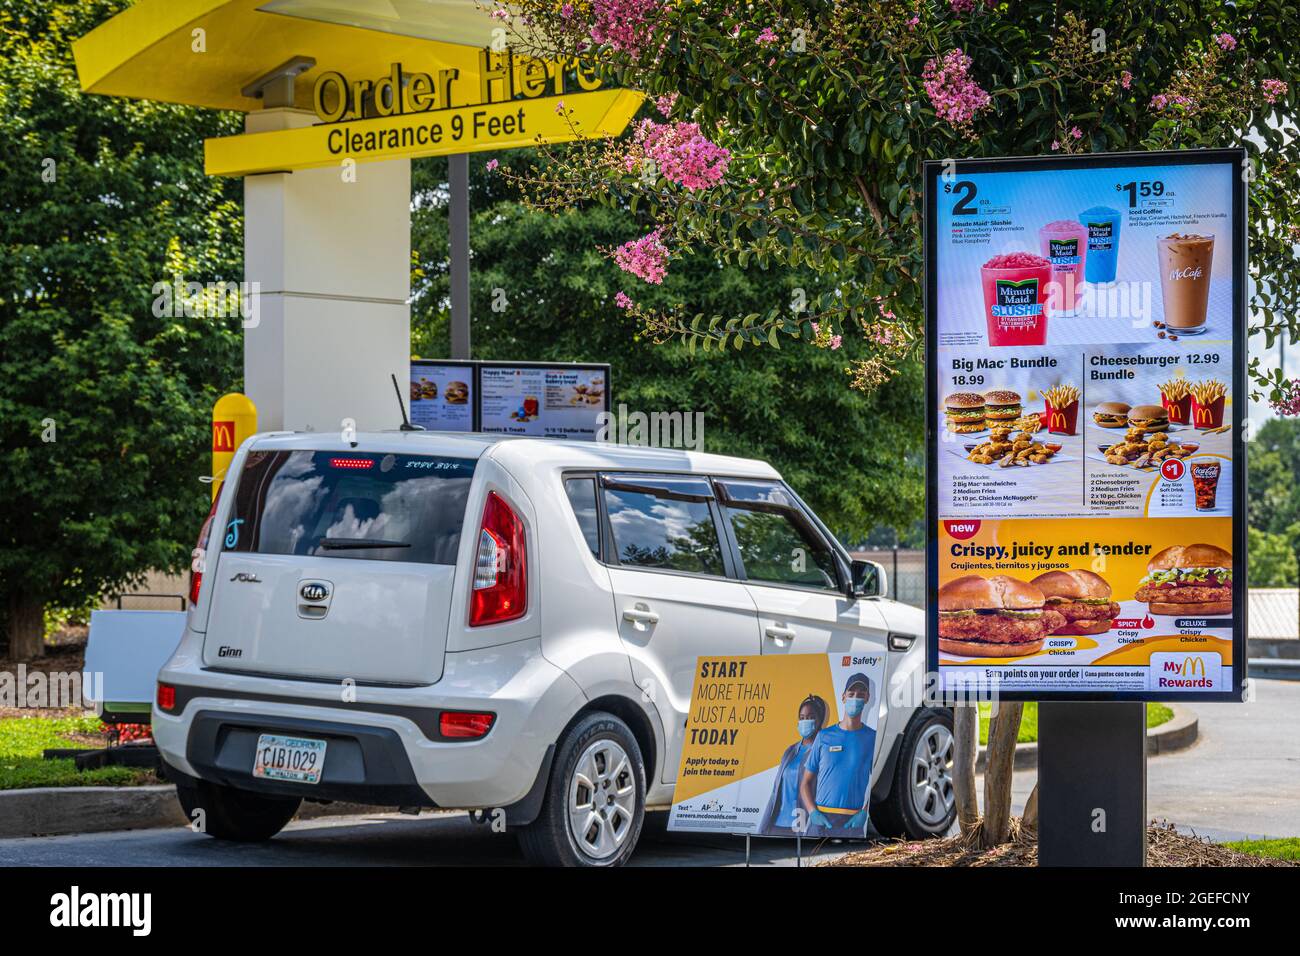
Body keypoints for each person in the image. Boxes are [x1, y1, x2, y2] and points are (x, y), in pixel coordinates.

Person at [798, 673, 876, 835]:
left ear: (867, 698)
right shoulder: (824, 736)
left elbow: (879, 782)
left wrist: (864, 812)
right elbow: (805, 783)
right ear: (843, 697)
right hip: (820, 821)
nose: (856, 698)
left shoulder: (872, 738)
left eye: (861, 695)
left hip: (852, 822)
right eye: (851, 694)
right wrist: (813, 812)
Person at [758, 695, 828, 835]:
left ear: (820, 720)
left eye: (810, 717)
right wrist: (763, 826)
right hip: (776, 824)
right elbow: (775, 791)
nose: (805, 721)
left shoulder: (824, 751)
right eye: (802, 718)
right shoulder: (790, 751)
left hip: (803, 826)